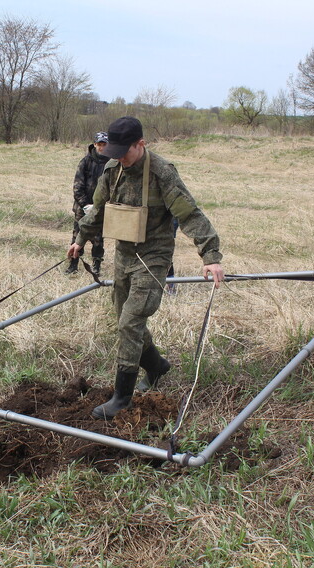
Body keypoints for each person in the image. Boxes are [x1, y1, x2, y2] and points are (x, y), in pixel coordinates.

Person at [67, 116, 224, 420]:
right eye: (114, 151)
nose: (118, 157)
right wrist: (80, 239)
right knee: (126, 321)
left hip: (153, 257)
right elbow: (98, 210)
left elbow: (190, 214)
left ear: (141, 144)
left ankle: (121, 397)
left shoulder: (162, 173)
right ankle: (155, 365)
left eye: (124, 151)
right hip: (124, 254)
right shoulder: (112, 169)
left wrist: (211, 256)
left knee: (130, 321)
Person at [65, 132, 109, 275]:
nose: (101, 147)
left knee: (98, 238)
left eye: (104, 144)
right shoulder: (85, 161)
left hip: (101, 207)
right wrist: (85, 205)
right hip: (81, 208)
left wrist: (98, 206)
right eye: (99, 144)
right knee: (77, 234)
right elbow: (77, 186)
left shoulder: (112, 163)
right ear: (94, 144)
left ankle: (96, 266)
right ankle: (73, 265)